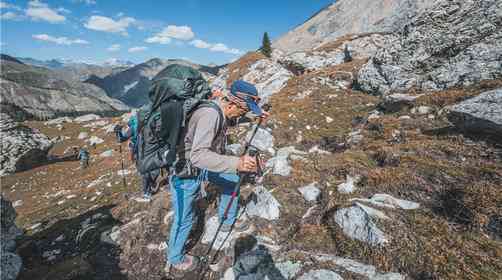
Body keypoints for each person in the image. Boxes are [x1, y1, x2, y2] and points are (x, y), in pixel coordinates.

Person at [165, 80, 266, 277]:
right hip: (184, 173)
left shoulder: (220, 109)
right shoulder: (210, 115)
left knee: (231, 180)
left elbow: (232, 119)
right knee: (184, 218)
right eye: (243, 110)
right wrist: (236, 163)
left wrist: (255, 116)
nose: (242, 114)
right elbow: (198, 156)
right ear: (233, 104)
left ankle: (227, 220)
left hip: (202, 167)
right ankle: (175, 257)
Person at [114, 109, 159, 203]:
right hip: (151, 150)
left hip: (139, 152)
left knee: (144, 171)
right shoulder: (153, 122)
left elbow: (122, 138)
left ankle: (147, 191)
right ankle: (150, 187)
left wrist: (118, 133)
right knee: (152, 169)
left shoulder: (134, 127)